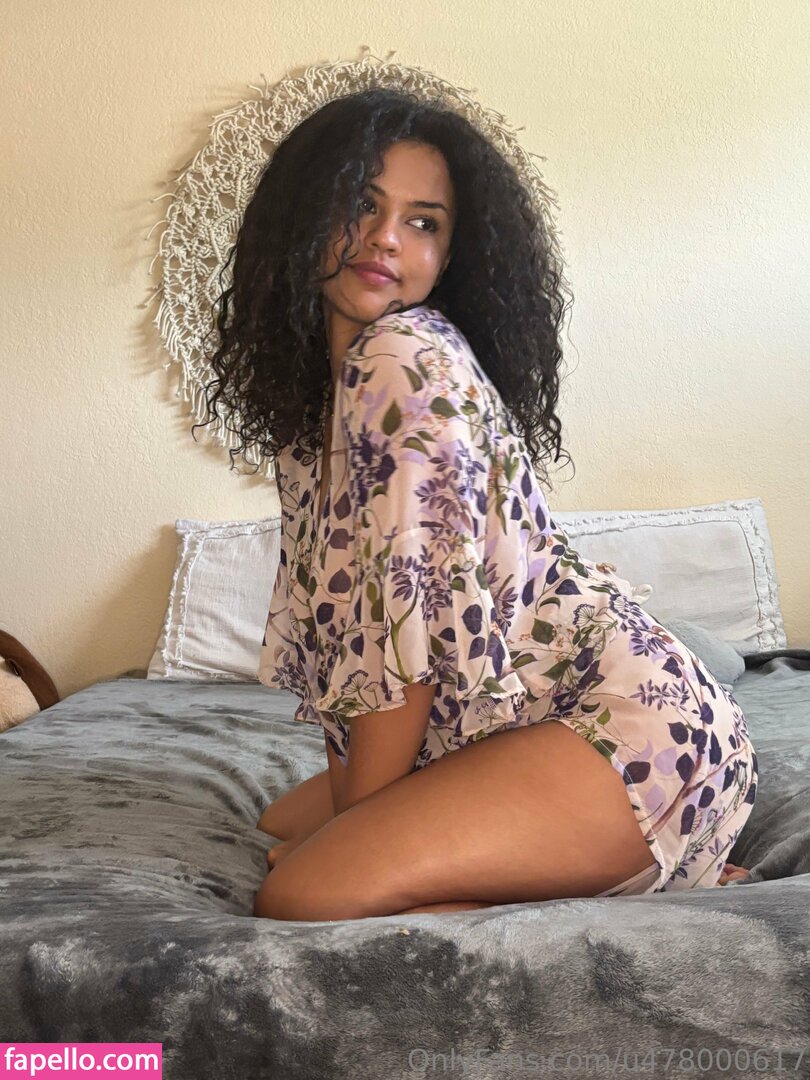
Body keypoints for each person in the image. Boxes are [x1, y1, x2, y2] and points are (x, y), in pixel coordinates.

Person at [197, 89, 758, 921]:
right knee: (283, 822)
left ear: (449, 255)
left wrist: (354, 840)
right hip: (518, 724)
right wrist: (355, 829)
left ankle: (656, 889)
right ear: (305, 217)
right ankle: (626, 866)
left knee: (302, 893)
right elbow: (350, 650)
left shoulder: (400, 358)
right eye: (362, 204)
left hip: (627, 728)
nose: (387, 237)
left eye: (422, 222)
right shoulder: (320, 410)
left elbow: (406, 636)